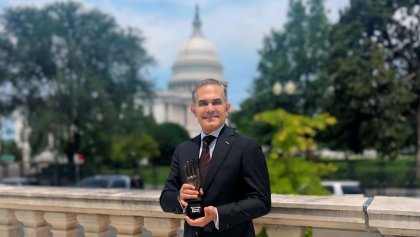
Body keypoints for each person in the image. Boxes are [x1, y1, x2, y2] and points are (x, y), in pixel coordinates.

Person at [160, 78, 271, 237]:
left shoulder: (247, 147)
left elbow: (262, 201)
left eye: (216, 102)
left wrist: (218, 214)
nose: (210, 109)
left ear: (227, 108)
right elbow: (165, 199)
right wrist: (180, 197)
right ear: (194, 110)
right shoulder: (183, 150)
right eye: (203, 103)